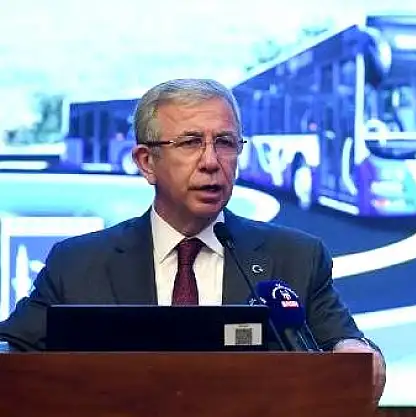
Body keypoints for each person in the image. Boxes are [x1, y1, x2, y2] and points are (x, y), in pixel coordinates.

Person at [0, 78, 386, 402]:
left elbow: (349, 349)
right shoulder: (78, 264)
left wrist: (358, 354)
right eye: (189, 142)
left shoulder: (295, 258)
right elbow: (11, 350)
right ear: (146, 162)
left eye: (225, 143)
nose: (211, 161)